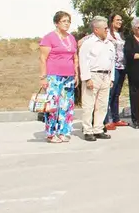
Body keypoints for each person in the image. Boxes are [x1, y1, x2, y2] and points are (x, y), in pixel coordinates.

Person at [38, 11, 79, 143]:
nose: (66, 24)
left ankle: (64, 131)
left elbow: (75, 57)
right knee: (53, 105)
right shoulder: (49, 38)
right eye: (64, 21)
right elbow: (43, 58)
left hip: (69, 76)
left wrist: (76, 74)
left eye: (68, 21)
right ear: (56, 23)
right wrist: (43, 77)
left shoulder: (71, 38)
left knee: (66, 104)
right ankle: (51, 133)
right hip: (53, 76)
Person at [78, 16, 115, 142]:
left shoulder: (109, 44)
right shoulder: (88, 43)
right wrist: (87, 78)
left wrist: (112, 78)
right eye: (105, 28)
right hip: (93, 75)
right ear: (96, 29)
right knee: (89, 104)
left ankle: (98, 128)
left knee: (102, 104)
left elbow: (112, 62)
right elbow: (83, 61)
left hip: (106, 76)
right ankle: (87, 130)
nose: (107, 30)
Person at [105, 14, 127, 127]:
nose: (120, 21)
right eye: (117, 20)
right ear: (111, 21)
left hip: (122, 66)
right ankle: (107, 120)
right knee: (110, 93)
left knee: (117, 94)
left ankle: (116, 118)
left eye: (121, 19)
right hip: (112, 67)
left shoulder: (121, 35)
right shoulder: (107, 33)